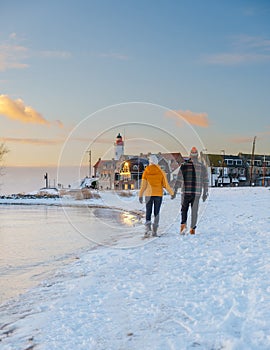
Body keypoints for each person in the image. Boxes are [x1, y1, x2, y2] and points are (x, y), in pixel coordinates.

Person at [172, 147, 208, 234]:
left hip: (185, 192)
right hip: (197, 193)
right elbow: (205, 181)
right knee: (194, 211)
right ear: (198, 156)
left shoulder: (184, 165)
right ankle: (192, 229)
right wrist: (205, 193)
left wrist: (175, 190)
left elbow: (179, 179)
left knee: (184, 210)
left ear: (190, 155)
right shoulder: (202, 167)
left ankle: (183, 226)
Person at [139, 154, 174, 237]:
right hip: (158, 194)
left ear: (149, 162)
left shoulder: (146, 171)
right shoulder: (161, 172)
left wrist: (140, 195)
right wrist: (171, 193)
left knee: (148, 211)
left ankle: (148, 230)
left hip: (148, 195)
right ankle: (154, 231)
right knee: (156, 212)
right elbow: (166, 185)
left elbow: (143, 186)